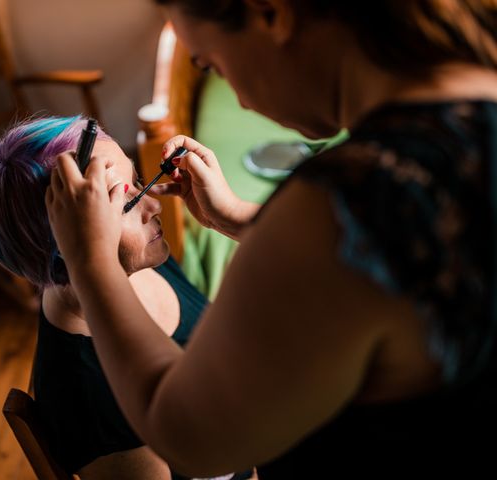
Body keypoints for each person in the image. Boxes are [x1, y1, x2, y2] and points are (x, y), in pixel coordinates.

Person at [44, 0, 497, 478]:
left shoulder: (342, 205)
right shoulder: (481, 78)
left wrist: (91, 260)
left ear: (270, 13)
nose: (238, 98)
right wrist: (242, 218)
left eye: (211, 64)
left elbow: (194, 438)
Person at [0, 116, 253, 480]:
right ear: (66, 242)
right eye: (123, 205)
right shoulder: (85, 399)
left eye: (140, 185)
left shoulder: (139, 259)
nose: (155, 207)